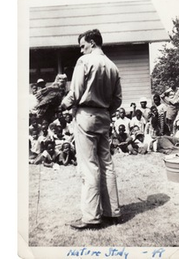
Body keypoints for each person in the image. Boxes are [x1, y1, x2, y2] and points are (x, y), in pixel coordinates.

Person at [61, 29, 122, 230]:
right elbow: (118, 99)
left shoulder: (85, 62)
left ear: (93, 42)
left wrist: (62, 105)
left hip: (86, 115)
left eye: (83, 45)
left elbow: (75, 92)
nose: (81, 50)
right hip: (104, 116)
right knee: (107, 164)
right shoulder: (113, 66)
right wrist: (105, 111)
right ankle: (113, 212)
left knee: (89, 166)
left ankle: (91, 216)